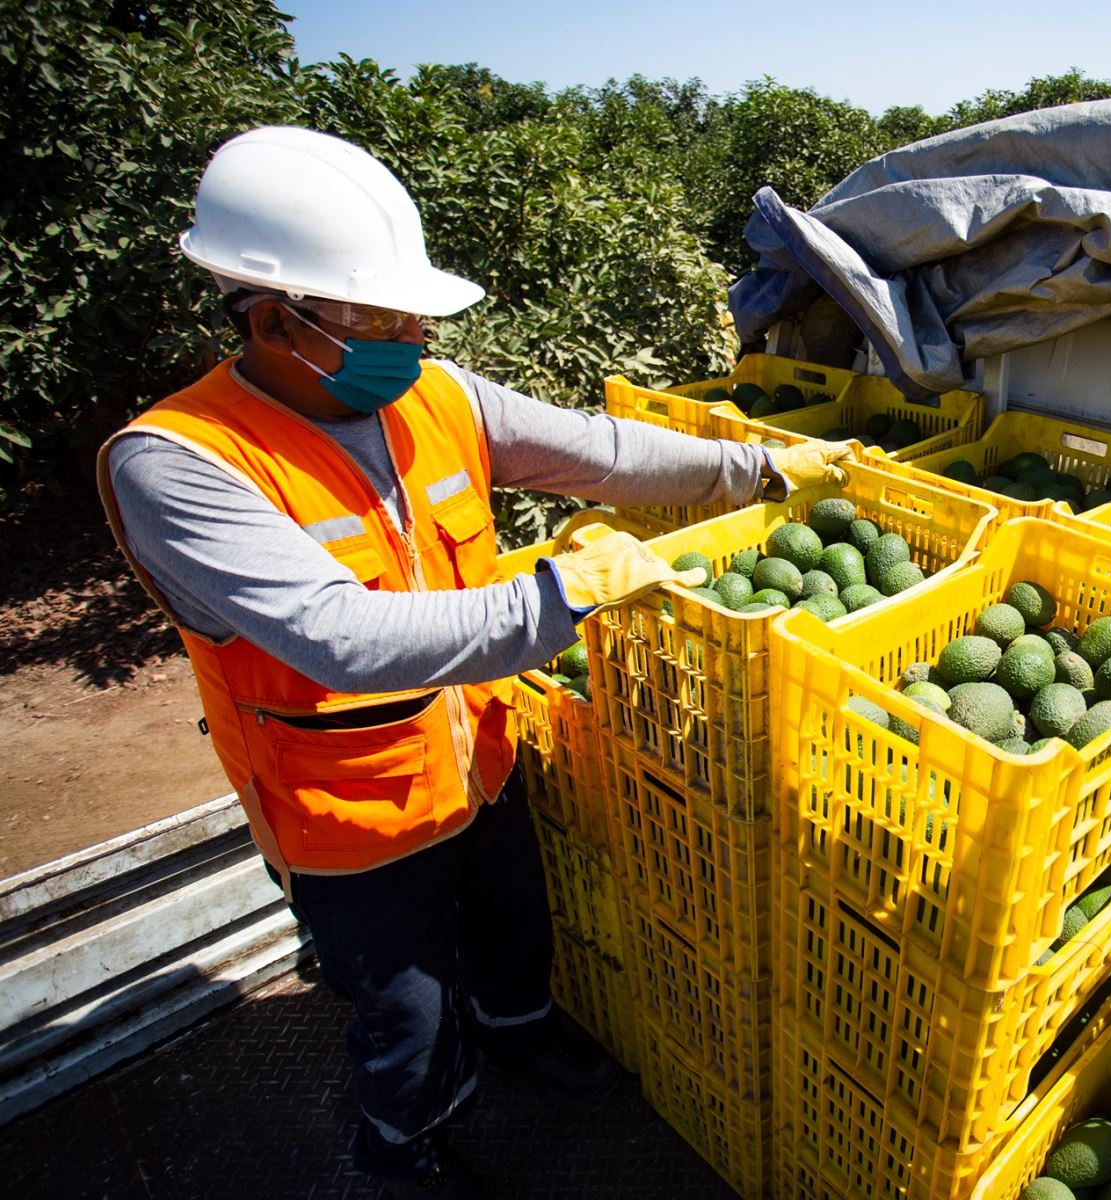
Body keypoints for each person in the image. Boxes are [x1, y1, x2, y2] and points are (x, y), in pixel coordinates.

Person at [97, 126, 849, 1199]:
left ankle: (521, 1036)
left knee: (512, 925)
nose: (408, 338)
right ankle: (402, 1145)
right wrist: (563, 595)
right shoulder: (178, 463)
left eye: (413, 315)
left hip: (478, 755)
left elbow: (608, 454)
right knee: (405, 1009)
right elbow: (338, 637)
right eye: (377, 318)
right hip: (347, 808)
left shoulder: (438, 396)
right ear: (273, 321)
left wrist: (766, 469)